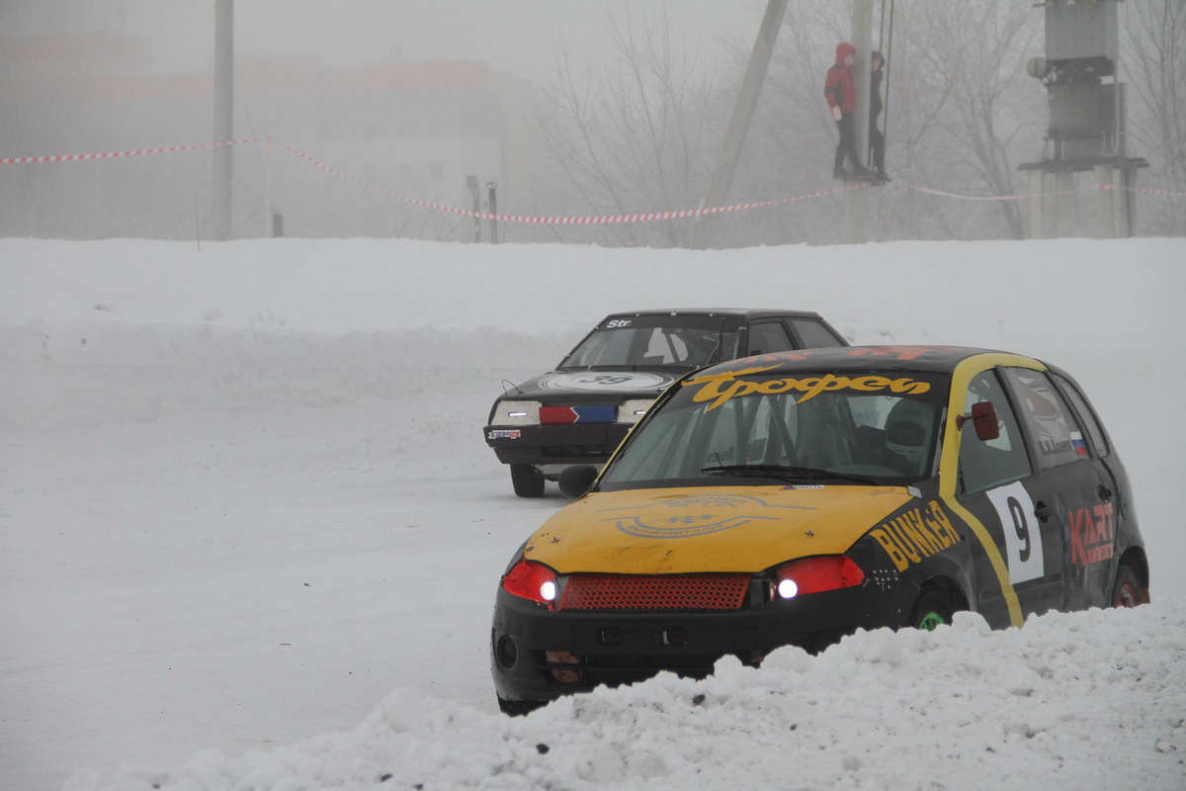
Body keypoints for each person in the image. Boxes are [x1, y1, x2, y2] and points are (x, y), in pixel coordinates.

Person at [824, 42, 871, 179]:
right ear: (841, 57)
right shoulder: (834, 71)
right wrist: (834, 106)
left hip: (848, 110)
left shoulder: (848, 71)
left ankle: (856, 166)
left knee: (850, 139)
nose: (850, 60)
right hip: (840, 111)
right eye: (848, 57)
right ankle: (838, 168)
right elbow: (828, 91)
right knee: (846, 138)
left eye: (851, 58)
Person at [869, 50, 889, 181]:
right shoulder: (870, 77)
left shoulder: (876, 76)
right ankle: (877, 168)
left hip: (871, 116)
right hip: (867, 117)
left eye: (877, 63)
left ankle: (878, 168)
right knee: (875, 140)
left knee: (876, 140)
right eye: (873, 62)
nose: (875, 65)